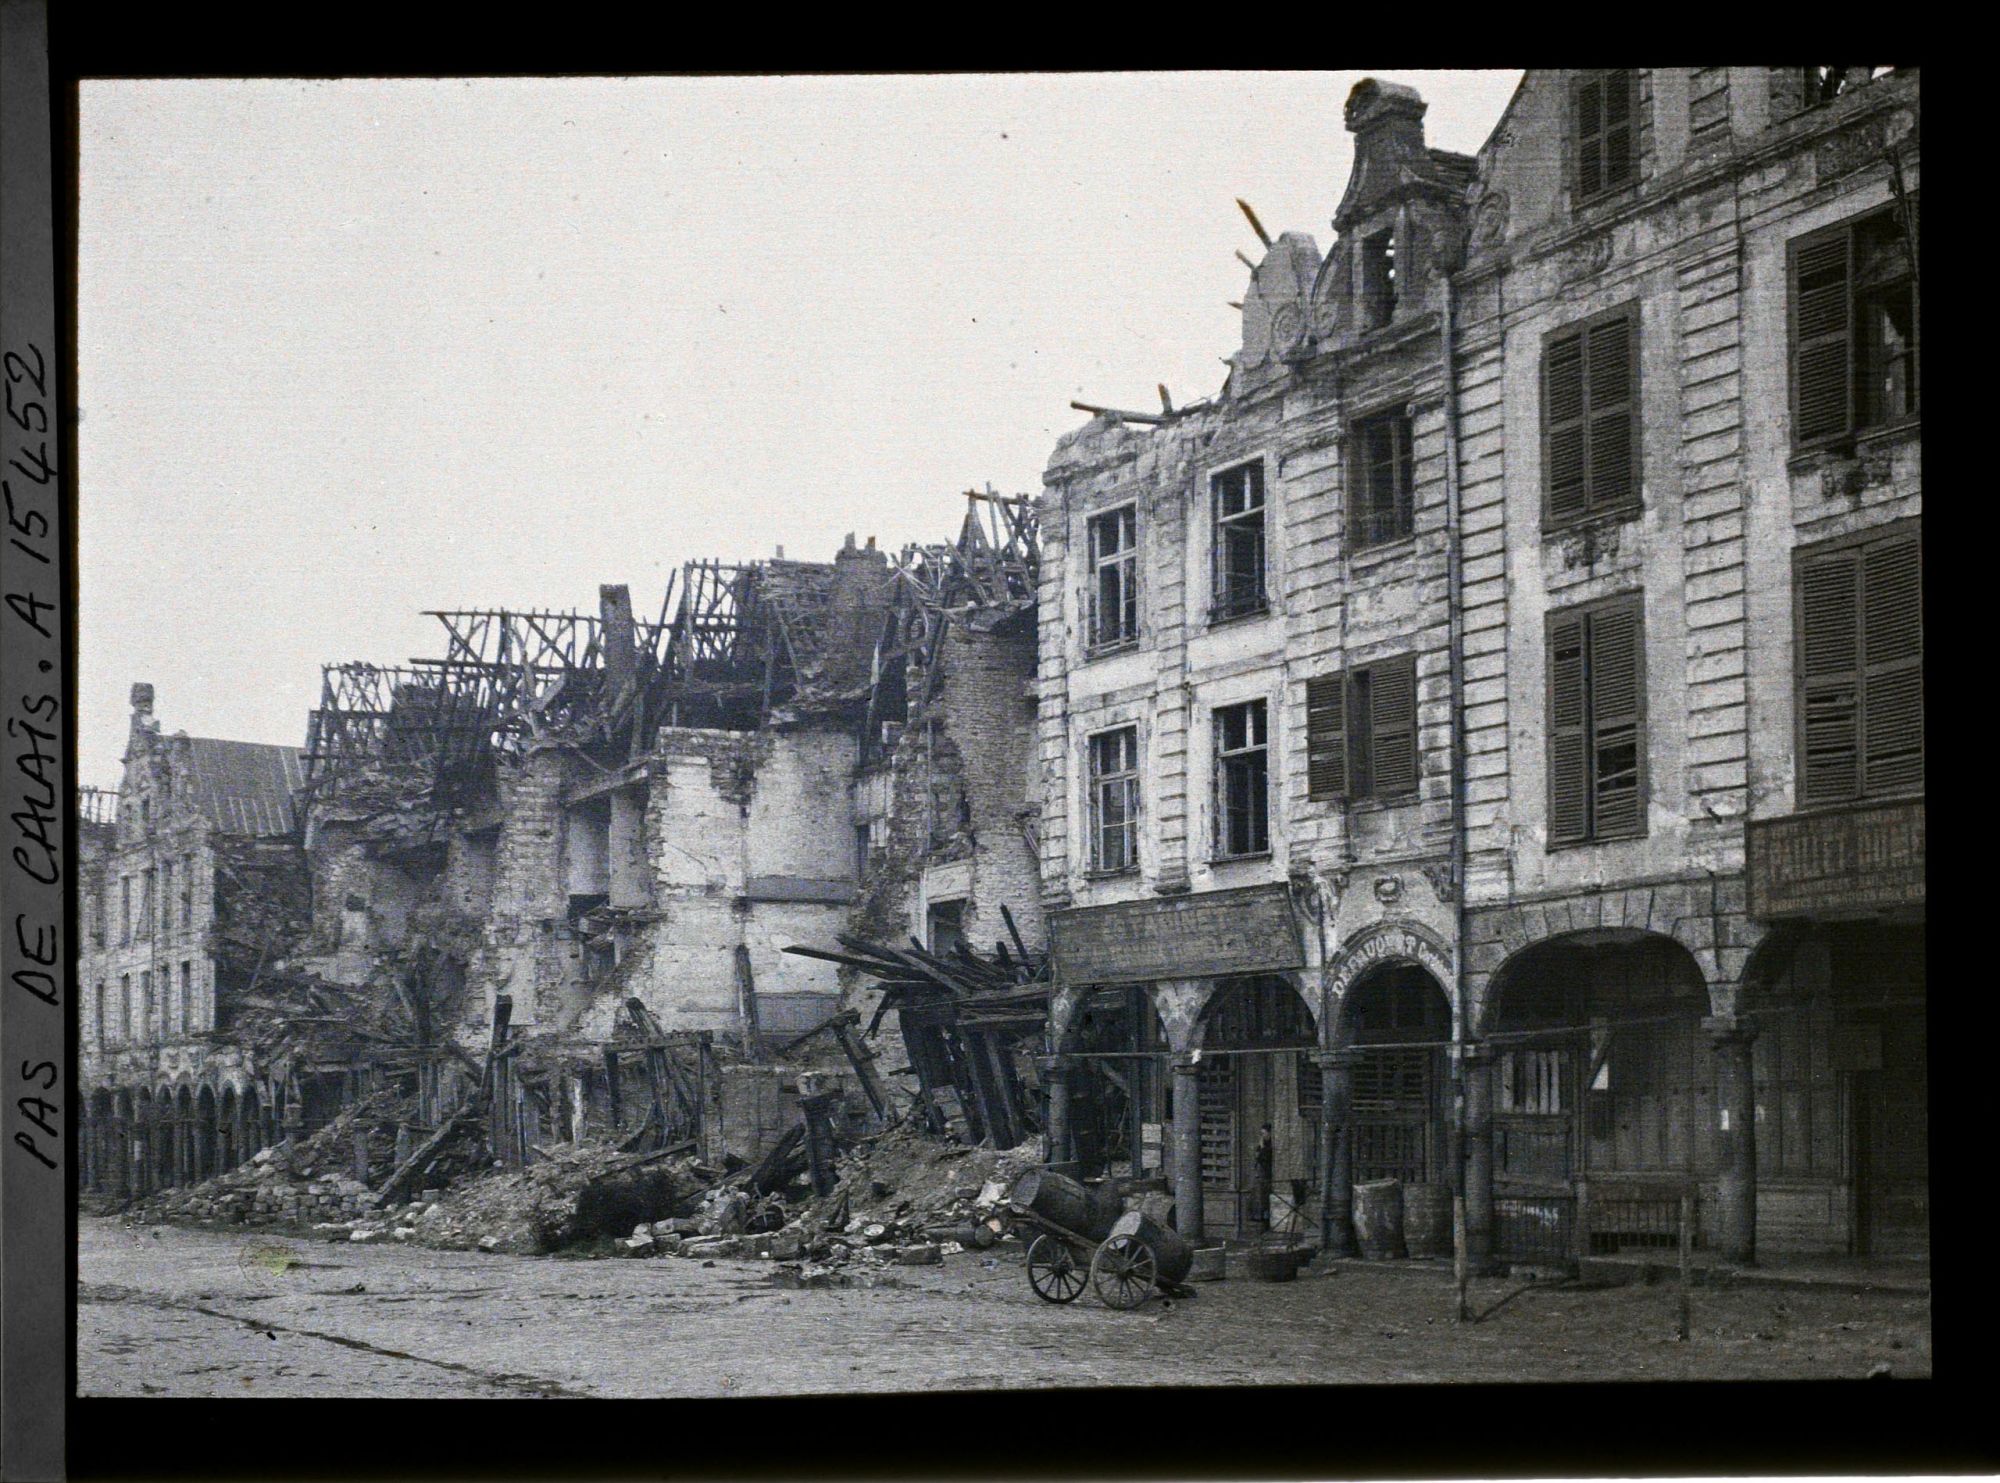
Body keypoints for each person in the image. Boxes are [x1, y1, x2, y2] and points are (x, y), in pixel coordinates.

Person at [1251, 1123, 1274, 1232]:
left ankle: (1267, 1223)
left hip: (1268, 1175)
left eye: (1264, 1133)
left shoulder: (1270, 1145)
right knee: (1261, 1201)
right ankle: (1262, 1223)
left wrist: (1263, 1148)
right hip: (1261, 1176)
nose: (1262, 1136)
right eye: (1261, 1134)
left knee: (1266, 1200)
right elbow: (1257, 1157)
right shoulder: (1261, 1145)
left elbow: (1265, 1158)